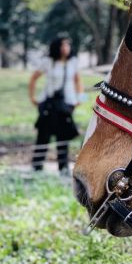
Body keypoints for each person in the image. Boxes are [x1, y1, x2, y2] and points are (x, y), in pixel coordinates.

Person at [28, 35, 83, 174]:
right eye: (63, 45)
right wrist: (33, 97)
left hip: (66, 104)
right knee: (43, 135)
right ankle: (37, 166)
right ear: (56, 47)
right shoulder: (48, 62)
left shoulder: (73, 62)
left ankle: (63, 168)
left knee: (63, 136)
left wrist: (80, 99)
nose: (66, 48)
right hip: (49, 103)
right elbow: (34, 78)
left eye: (67, 45)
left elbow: (78, 81)